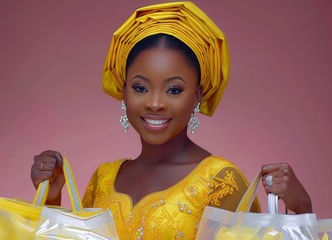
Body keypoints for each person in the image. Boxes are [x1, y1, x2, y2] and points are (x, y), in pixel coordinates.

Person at [30, 2, 312, 239]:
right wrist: (51, 199)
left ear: (197, 95)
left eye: (174, 89)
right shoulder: (103, 178)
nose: (155, 102)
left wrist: (302, 210)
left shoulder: (219, 180)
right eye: (140, 87)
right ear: (124, 90)